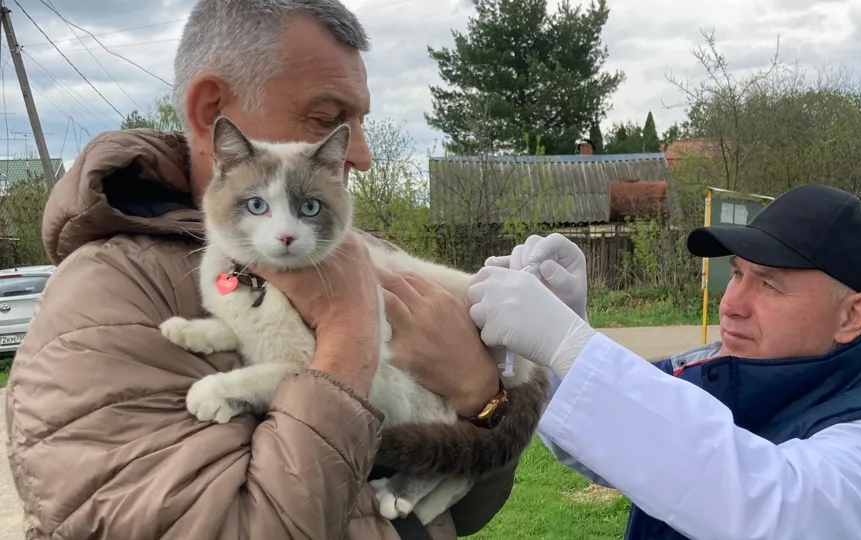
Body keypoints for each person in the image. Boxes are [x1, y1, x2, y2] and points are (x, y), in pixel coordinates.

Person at [4, 1, 513, 539]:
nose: (360, 155)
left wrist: (484, 399)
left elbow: (467, 512)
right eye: (325, 117)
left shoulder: (327, 245)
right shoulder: (103, 306)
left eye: (361, 121)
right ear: (211, 111)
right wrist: (349, 336)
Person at [466, 184, 861, 540]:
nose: (731, 303)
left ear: (852, 317)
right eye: (737, 273)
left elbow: (772, 512)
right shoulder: (726, 372)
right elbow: (618, 448)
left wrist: (569, 344)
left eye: (768, 284)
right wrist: (562, 336)